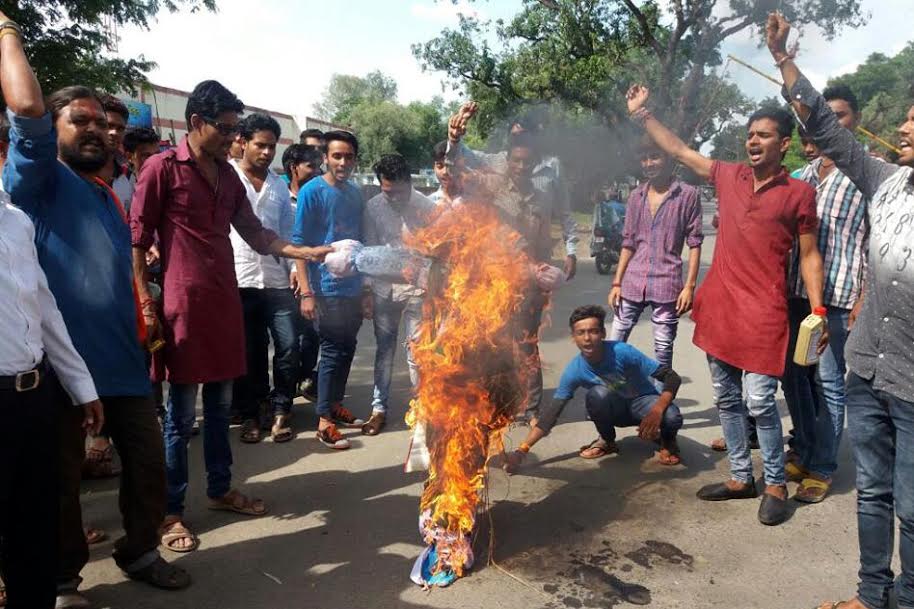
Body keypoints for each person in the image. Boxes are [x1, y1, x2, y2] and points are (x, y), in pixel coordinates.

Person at [0, 18, 192, 605]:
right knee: (61, 485)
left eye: (99, 124)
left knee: (147, 462)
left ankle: (139, 550)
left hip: (122, 363)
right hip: (58, 369)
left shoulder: (109, 193)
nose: (95, 132)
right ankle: (63, 580)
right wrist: (8, 31)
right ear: (52, 130)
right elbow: (28, 123)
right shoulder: (37, 182)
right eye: (76, 121)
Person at [130, 80, 331, 551]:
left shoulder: (227, 177)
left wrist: (306, 252)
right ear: (195, 122)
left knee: (221, 409)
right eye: (225, 129)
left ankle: (219, 490)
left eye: (235, 130)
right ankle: (171, 511)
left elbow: (258, 235)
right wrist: (144, 302)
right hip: (182, 309)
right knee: (181, 417)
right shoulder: (161, 169)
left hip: (223, 306)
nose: (233, 138)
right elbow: (137, 242)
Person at [626, 82, 826, 526]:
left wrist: (818, 310)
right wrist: (643, 115)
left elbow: (810, 254)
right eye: (750, 134)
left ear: (785, 144)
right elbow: (679, 150)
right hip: (720, 309)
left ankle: (774, 483)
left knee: (759, 402)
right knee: (727, 400)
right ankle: (741, 477)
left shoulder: (798, 194)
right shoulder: (728, 175)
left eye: (764, 134)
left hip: (764, 314)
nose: (753, 141)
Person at [768, 12, 914, 608]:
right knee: (874, 495)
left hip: (911, 384)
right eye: (905, 122)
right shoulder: (884, 182)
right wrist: (783, 61)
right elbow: (828, 130)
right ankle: (870, 595)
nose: (903, 129)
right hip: (868, 369)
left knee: (912, 504)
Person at [0, 189, 104, 609]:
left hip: (33, 396)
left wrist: (81, 386)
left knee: (35, 526)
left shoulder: (15, 219)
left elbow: (43, 306)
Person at [781, 85, 869, 504]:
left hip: (838, 297)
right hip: (798, 294)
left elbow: (876, 241)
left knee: (831, 382)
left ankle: (822, 468)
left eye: (841, 115)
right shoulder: (804, 175)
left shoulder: (869, 173)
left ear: (856, 120)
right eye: (824, 115)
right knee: (798, 379)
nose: (831, 123)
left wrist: (863, 297)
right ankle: (806, 448)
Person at [505, 305, 684, 471]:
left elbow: (671, 377)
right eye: (581, 333)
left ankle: (667, 442)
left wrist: (657, 411)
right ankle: (607, 440)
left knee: (672, 416)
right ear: (573, 337)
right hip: (614, 410)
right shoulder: (574, 370)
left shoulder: (622, 351)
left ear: (603, 333)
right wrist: (521, 451)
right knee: (597, 394)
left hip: (643, 403)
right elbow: (551, 415)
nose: (587, 338)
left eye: (593, 331)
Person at [292, 130, 368, 450]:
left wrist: (366, 289)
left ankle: (335, 403)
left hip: (352, 287)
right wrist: (307, 292)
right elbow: (298, 244)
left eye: (348, 156)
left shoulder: (355, 194)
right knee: (332, 352)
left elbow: (361, 244)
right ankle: (323, 421)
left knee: (348, 347)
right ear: (325, 157)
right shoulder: (312, 192)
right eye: (336, 155)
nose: (342, 162)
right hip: (324, 288)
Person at [448, 102, 580, 279]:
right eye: (514, 136)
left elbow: (565, 212)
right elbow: (463, 157)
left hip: (537, 258)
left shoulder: (552, 166)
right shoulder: (499, 160)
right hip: (502, 260)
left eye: (523, 135)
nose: (521, 166)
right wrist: (454, 138)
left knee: (534, 304)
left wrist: (571, 252)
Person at [229, 113, 299, 444]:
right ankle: (252, 412)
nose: (267, 153)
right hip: (239, 280)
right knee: (250, 352)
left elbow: (286, 232)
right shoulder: (227, 178)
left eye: (272, 147)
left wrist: (297, 268)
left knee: (287, 346)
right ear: (242, 142)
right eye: (261, 145)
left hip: (276, 280)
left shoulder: (278, 187)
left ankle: (281, 406)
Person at [608, 138, 703, 370]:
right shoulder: (635, 196)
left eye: (655, 157)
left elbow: (695, 242)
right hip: (632, 281)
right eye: (644, 158)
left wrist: (689, 287)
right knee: (614, 345)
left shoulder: (687, 195)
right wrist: (617, 282)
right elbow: (628, 242)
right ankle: (612, 395)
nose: (649, 163)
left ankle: (661, 400)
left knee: (663, 351)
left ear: (669, 159)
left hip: (667, 282)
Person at [362, 154, 435, 435]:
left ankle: (422, 408)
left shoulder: (427, 207)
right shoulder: (373, 207)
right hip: (384, 289)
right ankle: (379, 409)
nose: (393, 198)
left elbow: (436, 251)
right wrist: (367, 289)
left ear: (410, 182)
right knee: (384, 351)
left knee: (417, 352)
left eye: (399, 192)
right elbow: (368, 250)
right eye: (387, 191)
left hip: (419, 288)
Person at [283, 144, 325, 402]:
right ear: (293, 168)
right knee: (288, 343)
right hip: (283, 279)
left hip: (313, 277)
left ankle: (306, 380)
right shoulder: (279, 197)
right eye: (311, 166)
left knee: (312, 336)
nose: (317, 171)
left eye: (319, 166)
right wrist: (292, 267)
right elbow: (279, 237)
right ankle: (283, 397)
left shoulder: (321, 196)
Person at [428, 140, 465, 206]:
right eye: (439, 166)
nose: (445, 172)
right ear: (434, 167)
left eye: (450, 166)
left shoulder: (475, 201)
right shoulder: (429, 203)